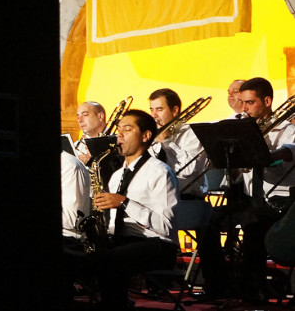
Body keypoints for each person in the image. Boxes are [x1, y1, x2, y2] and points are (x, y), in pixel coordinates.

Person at [199, 77, 295, 301]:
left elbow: (289, 151)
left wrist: (262, 153)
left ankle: (253, 290)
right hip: (250, 199)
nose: (243, 108)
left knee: (254, 221)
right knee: (207, 221)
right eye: (242, 102)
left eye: (250, 103)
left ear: (267, 101)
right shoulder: (242, 128)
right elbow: (235, 175)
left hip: (280, 201)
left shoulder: (287, 129)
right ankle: (218, 284)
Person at [91, 109, 179, 310]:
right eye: (118, 129)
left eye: (127, 129)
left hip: (157, 245)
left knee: (111, 260)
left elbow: (165, 227)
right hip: (125, 240)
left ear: (146, 136)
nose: (119, 135)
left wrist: (124, 203)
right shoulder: (116, 175)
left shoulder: (160, 172)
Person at [148, 88, 207, 197]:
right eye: (152, 109)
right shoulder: (151, 135)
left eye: (159, 109)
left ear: (175, 110)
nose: (154, 115)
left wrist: (167, 142)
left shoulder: (191, 133)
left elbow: (188, 170)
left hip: (186, 199)